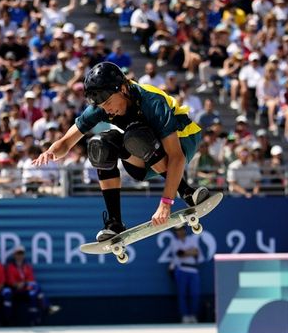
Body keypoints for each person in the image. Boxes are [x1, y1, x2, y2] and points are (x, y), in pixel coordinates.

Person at [33, 62, 208, 242]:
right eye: (102, 106)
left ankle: (186, 191)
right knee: (100, 145)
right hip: (146, 158)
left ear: (123, 89)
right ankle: (114, 223)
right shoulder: (101, 108)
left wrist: (166, 203)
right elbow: (66, 141)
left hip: (183, 141)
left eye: (108, 103)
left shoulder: (150, 100)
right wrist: (51, 152)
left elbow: (177, 156)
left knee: (136, 136)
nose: (107, 109)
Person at [3, 245, 59, 326]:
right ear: (14, 255)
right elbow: (13, 283)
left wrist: (24, 284)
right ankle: (47, 307)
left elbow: (31, 281)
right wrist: (23, 283)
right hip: (15, 292)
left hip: (25, 290)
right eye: (18, 253)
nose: (20, 256)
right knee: (36, 288)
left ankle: (34, 321)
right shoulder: (10, 267)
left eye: (21, 253)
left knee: (34, 293)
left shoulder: (27, 267)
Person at [168, 226, 200, 323]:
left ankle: (193, 315)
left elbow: (196, 252)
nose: (180, 232)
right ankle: (185, 316)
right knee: (182, 294)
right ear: (176, 232)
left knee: (195, 294)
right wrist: (190, 251)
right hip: (181, 270)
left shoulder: (192, 239)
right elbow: (179, 253)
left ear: (185, 230)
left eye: (181, 229)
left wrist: (187, 252)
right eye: (178, 230)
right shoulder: (174, 242)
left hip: (194, 270)